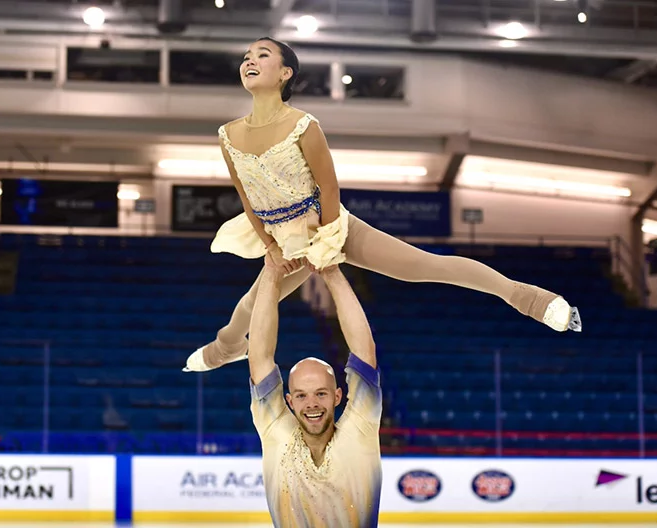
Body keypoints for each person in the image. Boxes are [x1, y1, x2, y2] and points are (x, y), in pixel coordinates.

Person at [183, 37, 581, 372]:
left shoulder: (304, 125)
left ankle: (527, 297)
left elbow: (329, 188)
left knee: (424, 267)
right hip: (281, 238)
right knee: (250, 305)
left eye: (262, 54)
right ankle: (226, 348)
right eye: (246, 57)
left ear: (285, 73)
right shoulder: (228, 134)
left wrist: (327, 241)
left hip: (330, 225)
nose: (249, 61)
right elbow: (246, 197)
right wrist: (271, 247)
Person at [248, 255, 382, 527]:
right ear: (289, 400)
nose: (311, 403)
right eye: (301, 395)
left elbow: (364, 353)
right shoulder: (276, 433)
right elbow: (259, 359)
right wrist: (271, 272)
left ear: (337, 396)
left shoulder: (361, 432)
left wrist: (332, 272)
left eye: (321, 393)